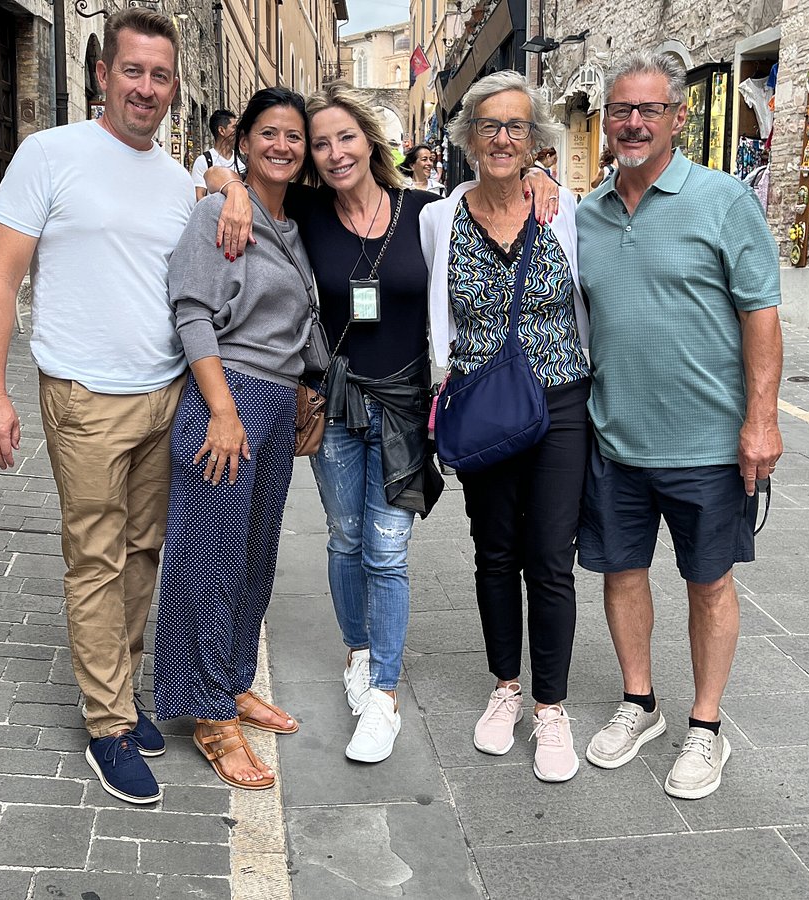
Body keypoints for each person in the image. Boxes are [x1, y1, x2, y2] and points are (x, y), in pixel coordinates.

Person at [207, 84, 558, 766]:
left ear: (372, 141)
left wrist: (540, 175)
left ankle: (385, 697)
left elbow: (495, 194)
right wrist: (229, 185)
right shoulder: (307, 209)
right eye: (321, 143)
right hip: (336, 404)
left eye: (346, 138)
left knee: (387, 549)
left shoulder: (426, 212)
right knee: (344, 539)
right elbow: (230, 170)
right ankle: (359, 653)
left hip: (404, 406)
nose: (334, 153)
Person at [0, 8, 192, 806]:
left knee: (143, 554)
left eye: (159, 75)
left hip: (163, 395)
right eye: (131, 71)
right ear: (103, 74)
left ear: (174, 85)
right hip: (84, 397)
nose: (145, 87)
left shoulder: (178, 180)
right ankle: (107, 725)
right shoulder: (49, 154)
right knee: (96, 558)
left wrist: (230, 186)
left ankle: (123, 692)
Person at [575, 51, 783, 800]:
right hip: (616, 438)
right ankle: (640, 703)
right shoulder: (587, 213)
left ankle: (706, 725)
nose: (633, 123)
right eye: (621, 111)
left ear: (677, 117)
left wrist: (762, 421)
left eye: (649, 110)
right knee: (621, 574)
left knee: (709, 583)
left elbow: (761, 314)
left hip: (706, 442)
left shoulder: (724, 199)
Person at [419, 70, 590, 783]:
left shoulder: (565, 208)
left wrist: (549, 178)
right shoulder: (438, 218)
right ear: (467, 137)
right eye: (490, 125)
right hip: (483, 404)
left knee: (549, 559)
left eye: (517, 127)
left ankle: (551, 708)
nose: (502, 138)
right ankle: (505, 690)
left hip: (559, 405)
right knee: (494, 554)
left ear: (535, 141)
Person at [153, 87, 313, 791]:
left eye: (294, 137)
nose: (283, 145)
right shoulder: (220, 212)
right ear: (241, 140)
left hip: (276, 402)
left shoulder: (294, 224)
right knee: (206, 560)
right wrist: (221, 409)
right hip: (230, 396)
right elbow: (191, 313)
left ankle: (234, 680)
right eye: (269, 134)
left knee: (253, 557)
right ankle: (209, 716)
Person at [190, 108, 240, 201]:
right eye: (234, 127)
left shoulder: (242, 160)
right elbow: (199, 196)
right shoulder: (204, 161)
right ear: (222, 130)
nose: (238, 131)